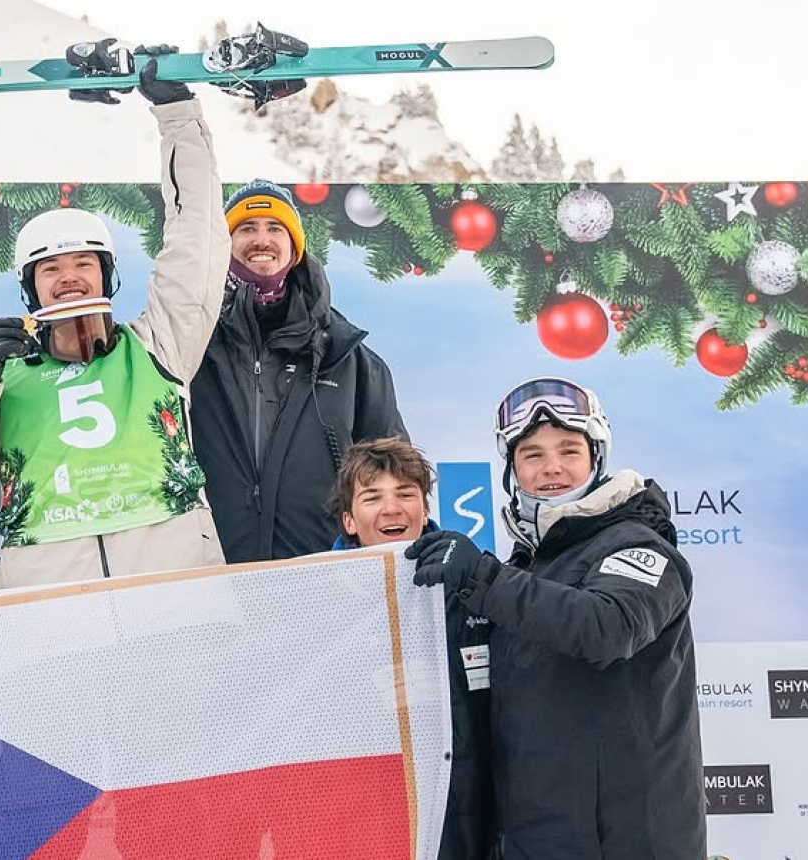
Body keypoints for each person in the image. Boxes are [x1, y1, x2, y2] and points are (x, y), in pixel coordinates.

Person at [0, 47, 230, 586]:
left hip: (180, 607)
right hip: (51, 629)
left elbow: (197, 240)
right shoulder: (2, 381)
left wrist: (178, 116)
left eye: (84, 263)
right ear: (29, 290)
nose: (69, 278)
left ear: (107, 277)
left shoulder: (157, 348)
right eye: (50, 269)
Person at [406, 377, 704, 860]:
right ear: (513, 471)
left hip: (623, 843)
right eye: (532, 456)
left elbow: (606, 628)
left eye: (568, 451)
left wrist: (482, 578)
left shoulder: (638, 545)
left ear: (596, 459)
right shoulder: (524, 568)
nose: (552, 469)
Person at [189, 179, 407, 564]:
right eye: (246, 228)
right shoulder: (189, 351)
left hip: (325, 579)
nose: (262, 240)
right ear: (224, 244)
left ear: (295, 248)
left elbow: (395, 475)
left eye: (276, 229)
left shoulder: (349, 358)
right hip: (208, 579)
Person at [328, 438, 492, 860]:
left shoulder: (473, 581)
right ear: (349, 520)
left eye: (406, 494)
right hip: (364, 813)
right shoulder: (319, 597)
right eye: (372, 497)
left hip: (465, 812)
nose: (392, 508)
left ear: (425, 509)